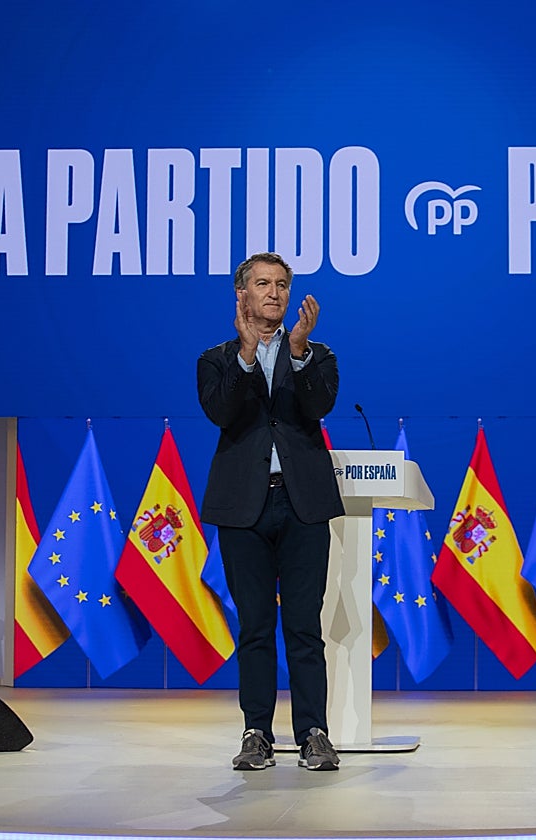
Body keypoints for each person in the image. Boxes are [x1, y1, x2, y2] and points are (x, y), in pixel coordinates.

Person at [197, 252, 344, 771]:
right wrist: (245, 352)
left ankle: (314, 734)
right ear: (242, 294)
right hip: (245, 509)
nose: (275, 293)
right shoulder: (216, 360)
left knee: (304, 627)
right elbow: (221, 411)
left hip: (302, 505)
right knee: (255, 627)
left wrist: (298, 352)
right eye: (263, 284)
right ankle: (256, 732)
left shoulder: (317, 355)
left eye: (282, 284)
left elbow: (317, 406)